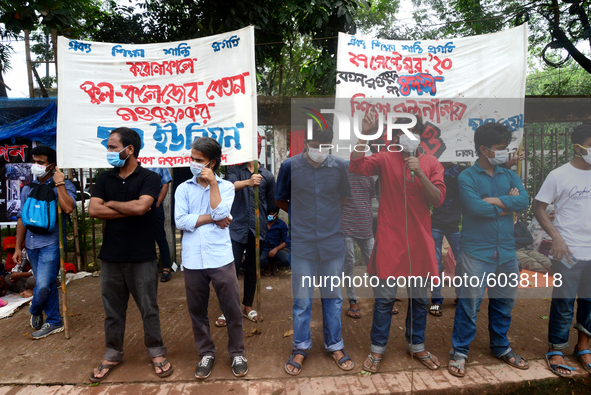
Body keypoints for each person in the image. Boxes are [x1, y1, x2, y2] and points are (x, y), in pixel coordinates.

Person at [350, 111, 446, 373]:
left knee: (419, 300)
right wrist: (363, 136)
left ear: (421, 135)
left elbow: (437, 199)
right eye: (401, 134)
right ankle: (377, 350)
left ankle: (417, 346)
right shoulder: (384, 159)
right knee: (384, 300)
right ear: (394, 138)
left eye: (413, 132)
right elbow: (357, 166)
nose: (408, 138)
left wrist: (421, 173)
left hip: (420, 244)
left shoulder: (432, 164)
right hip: (390, 241)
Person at [88, 127, 173, 382]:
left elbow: (143, 206)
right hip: (111, 256)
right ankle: (112, 353)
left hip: (142, 255)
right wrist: (130, 208)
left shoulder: (149, 178)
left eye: (113, 147)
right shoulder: (104, 178)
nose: (109, 152)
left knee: (149, 307)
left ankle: (157, 352)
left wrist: (110, 204)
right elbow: (94, 210)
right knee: (112, 310)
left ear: (130, 149)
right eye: (109, 147)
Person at [448, 123, 530, 377]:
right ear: (484, 150)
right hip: (476, 253)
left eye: (506, 148)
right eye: (500, 149)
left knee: (504, 303)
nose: (505, 153)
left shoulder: (508, 176)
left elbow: (524, 201)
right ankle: (459, 352)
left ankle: (500, 347)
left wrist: (494, 201)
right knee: (468, 305)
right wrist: (508, 205)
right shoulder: (467, 177)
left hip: (506, 252)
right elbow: (475, 209)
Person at [276, 123, 354, 375]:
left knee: (333, 297)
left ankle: (335, 345)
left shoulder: (339, 166)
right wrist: (302, 216)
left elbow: (342, 197)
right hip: (302, 242)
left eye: (325, 146)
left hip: (332, 242)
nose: (320, 150)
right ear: (305, 144)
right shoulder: (289, 166)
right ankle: (300, 347)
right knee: (302, 300)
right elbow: (280, 199)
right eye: (315, 145)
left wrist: (325, 217)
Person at [175, 136, 247, 379]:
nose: (193, 163)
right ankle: (206, 353)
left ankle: (237, 352)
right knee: (197, 310)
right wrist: (212, 218)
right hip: (193, 260)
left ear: (212, 163)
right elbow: (181, 221)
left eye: (199, 160)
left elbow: (222, 212)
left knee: (232, 309)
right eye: (192, 159)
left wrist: (213, 186)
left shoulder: (226, 187)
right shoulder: (183, 188)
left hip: (221, 257)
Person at [533, 123, 591, 377]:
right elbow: (539, 207)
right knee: (564, 302)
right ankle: (556, 349)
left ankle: (584, 347)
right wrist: (555, 236)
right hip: (568, 251)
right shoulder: (559, 175)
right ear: (578, 148)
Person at [14, 145, 75, 339]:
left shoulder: (65, 186)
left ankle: (35, 309)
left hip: (51, 243)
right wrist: (17, 246)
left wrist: (60, 184)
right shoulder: (28, 188)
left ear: (52, 165)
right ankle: (54, 320)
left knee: (42, 285)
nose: (36, 166)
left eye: (41, 162)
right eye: (35, 162)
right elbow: (22, 219)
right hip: (31, 244)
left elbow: (68, 209)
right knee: (46, 284)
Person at [221, 151, 275, 325]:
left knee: (253, 267)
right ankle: (228, 309)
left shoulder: (267, 175)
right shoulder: (234, 171)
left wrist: (267, 222)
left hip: (257, 228)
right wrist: (248, 182)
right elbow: (228, 187)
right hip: (236, 227)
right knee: (232, 268)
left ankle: (248, 307)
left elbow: (271, 203)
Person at [428, 162, 468, 317]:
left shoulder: (462, 169)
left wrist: (506, 163)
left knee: (463, 262)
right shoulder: (431, 166)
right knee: (435, 264)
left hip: (456, 225)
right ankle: (436, 301)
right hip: (435, 224)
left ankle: (461, 297)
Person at [340, 167, 376, 319]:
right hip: (346, 226)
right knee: (349, 265)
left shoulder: (369, 178)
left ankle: (381, 299)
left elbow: (369, 199)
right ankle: (353, 300)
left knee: (375, 264)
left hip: (366, 226)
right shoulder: (342, 177)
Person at [147, 167, 173, 282]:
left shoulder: (159, 162)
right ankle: (149, 270)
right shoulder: (137, 161)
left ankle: (166, 269)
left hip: (155, 206)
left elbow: (165, 185)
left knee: (160, 237)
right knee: (144, 239)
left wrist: (157, 204)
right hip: (138, 206)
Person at [260, 203, 290, 275]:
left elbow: (285, 241)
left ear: (276, 214)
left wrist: (276, 249)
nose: (268, 216)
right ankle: (268, 266)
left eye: (270, 214)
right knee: (259, 260)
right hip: (263, 250)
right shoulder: (261, 223)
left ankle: (274, 264)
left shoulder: (281, 224)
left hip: (276, 250)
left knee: (288, 259)